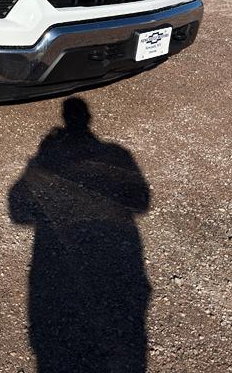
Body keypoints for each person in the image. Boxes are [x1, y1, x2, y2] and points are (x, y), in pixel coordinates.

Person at [8, 97, 152, 372]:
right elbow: (141, 201)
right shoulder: (117, 154)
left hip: (57, 277)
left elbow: (17, 211)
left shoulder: (44, 159)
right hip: (117, 269)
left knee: (55, 343)